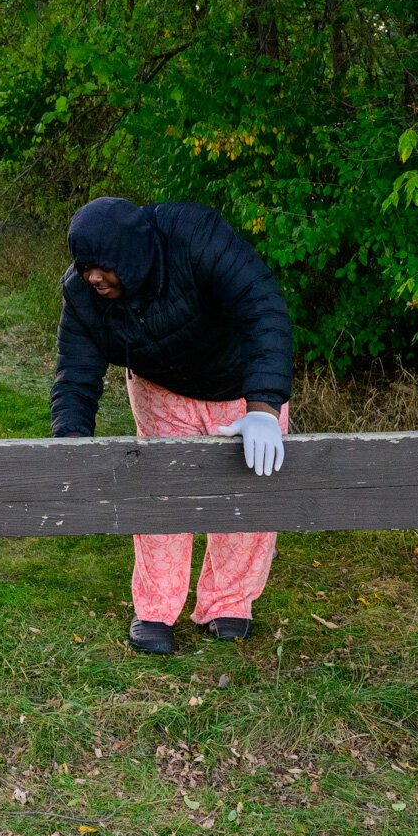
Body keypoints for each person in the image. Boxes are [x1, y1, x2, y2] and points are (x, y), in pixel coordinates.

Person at [51, 196, 293, 656]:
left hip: (239, 386)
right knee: (161, 495)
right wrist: (71, 444)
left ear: (131, 255)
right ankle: (156, 610)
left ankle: (229, 603)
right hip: (161, 390)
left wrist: (264, 407)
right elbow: (75, 373)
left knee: (247, 494)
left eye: (102, 266)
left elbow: (263, 307)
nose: (92, 277)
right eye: (84, 266)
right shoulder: (81, 294)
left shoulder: (195, 236)